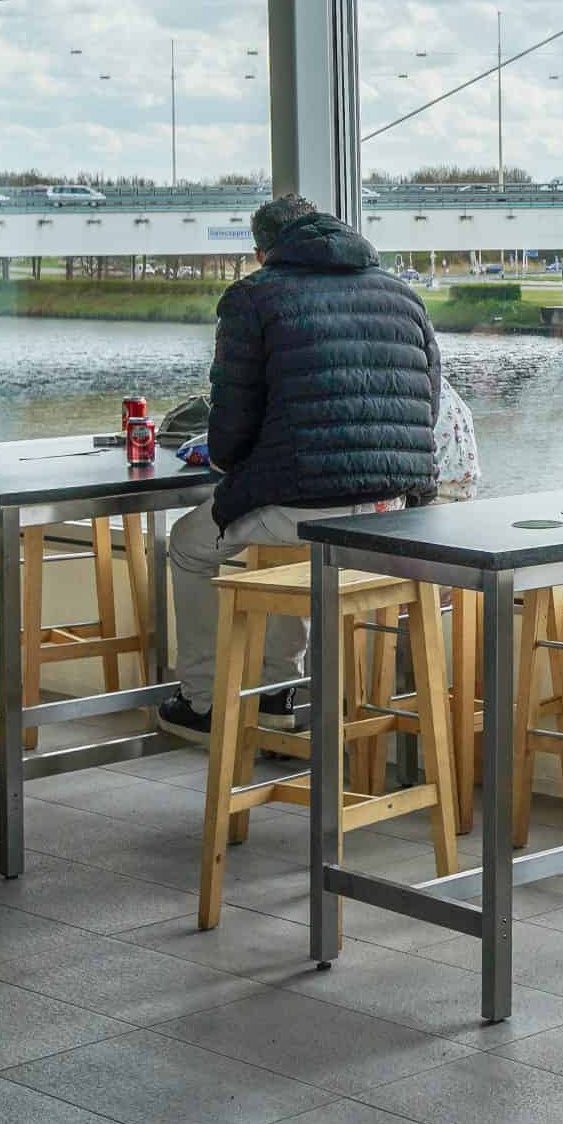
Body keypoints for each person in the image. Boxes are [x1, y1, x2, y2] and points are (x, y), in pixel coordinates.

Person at [155, 196, 443, 743]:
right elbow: (428, 405)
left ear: (262, 252)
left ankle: (204, 703)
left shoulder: (252, 296)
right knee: (293, 542)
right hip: (393, 506)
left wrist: (228, 462)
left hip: (304, 502)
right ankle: (277, 693)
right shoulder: (402, 293)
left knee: (190, 546)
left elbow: (231, 424)